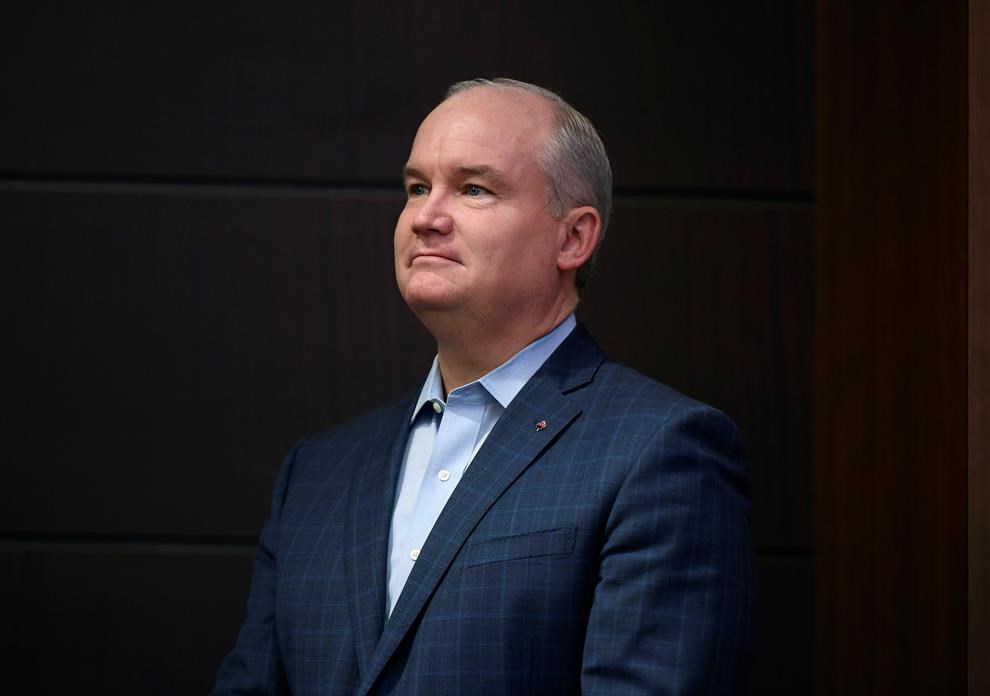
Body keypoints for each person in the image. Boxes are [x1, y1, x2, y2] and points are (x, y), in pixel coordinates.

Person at [213, 77, 754, 695]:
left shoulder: (661, 452)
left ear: (573, 237)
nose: (426, 217)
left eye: (473, 189)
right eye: (417, 188)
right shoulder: (316, 472)